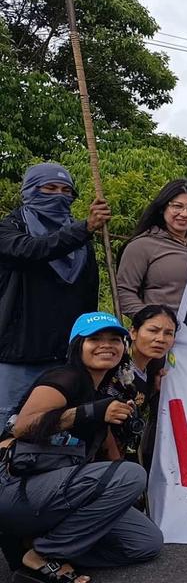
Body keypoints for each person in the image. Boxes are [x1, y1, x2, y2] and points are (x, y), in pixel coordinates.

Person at [0, 312, 163, 583]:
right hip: (15, 484)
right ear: (78, 345)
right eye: (95, 339)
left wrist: (125, 498)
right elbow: (23, 426)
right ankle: (44, 556)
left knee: (145, 543)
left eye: (114, 340)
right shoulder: (65, 377)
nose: (106, 345)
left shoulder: (101, 391)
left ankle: (31, 544)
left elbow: (109, 452)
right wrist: (90, 412)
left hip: (55, 490)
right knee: (132, 474)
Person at [0, 163, 108, 427]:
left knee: (54, 427)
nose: (59, 195)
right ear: (29, 191)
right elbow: (32, 250)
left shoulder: (81, 241)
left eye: (65, 190)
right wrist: (84, 229)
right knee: (6, 425)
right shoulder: (10, 229)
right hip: (18, 355)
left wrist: (88, 342)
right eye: (49, 188)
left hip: (65, 356)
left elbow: (88, 293)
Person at [116, 178, 187, 318]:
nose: (184, 214)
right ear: (163, 208)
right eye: (177, 206)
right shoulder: (142, 245)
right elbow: (123, 292)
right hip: (163, 330)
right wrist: (152, 320)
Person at [124, 305, 177, 470]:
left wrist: (155, 391)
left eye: (168, 333)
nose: (161, 339)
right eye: (153, 330)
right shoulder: (116, 366)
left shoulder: (155, 368)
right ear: (133, 332)